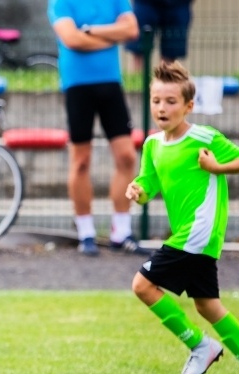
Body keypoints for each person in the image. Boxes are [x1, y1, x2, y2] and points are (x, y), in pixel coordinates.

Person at [126, 61, 239, 374]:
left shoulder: (203, 137)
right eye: (156, 100)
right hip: (192, 236)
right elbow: (148, 184)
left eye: (171, 101)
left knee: (142, 285)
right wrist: (138, 192)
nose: (162, 108)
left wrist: (216, 167)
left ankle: (200, 345)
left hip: (198, 232)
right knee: (207, 305)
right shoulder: (152, 145)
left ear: (188, 106)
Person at [47, 0, 148, 256]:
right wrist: (111, 37)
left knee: (126, 156)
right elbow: (71, 39)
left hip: (111, 83)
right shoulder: (61, 2)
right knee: (81, 160)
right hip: (77, 85)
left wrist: (91, 31)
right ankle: (86, 233)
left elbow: (131, 30)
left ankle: (121, 232)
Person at [126, 0, 193, 70]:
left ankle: (165, 75)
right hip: (145, 3)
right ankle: (138, 76)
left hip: (178, 4)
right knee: (139, 50)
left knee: (170, 55)